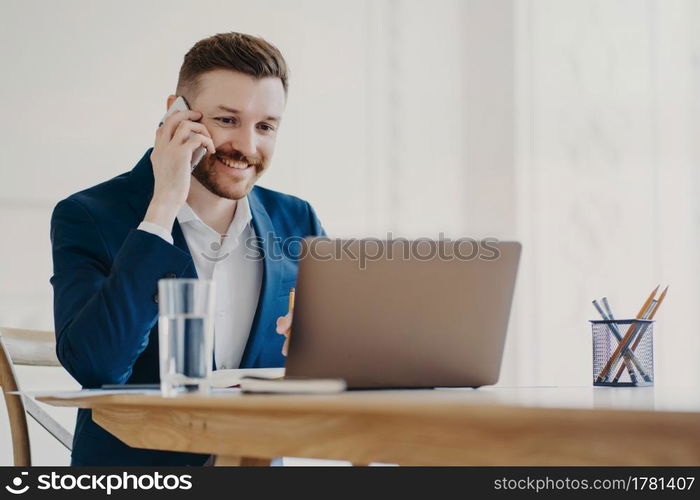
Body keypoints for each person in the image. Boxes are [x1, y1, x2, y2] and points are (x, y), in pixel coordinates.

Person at [49, 32, 324, 466]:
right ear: (176, 114)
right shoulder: (90, 215)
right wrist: (162, 209)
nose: (248, 148)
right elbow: (98, 366)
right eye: (228, 120)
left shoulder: (297, 220)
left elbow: (329, 362)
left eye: (266, 126)